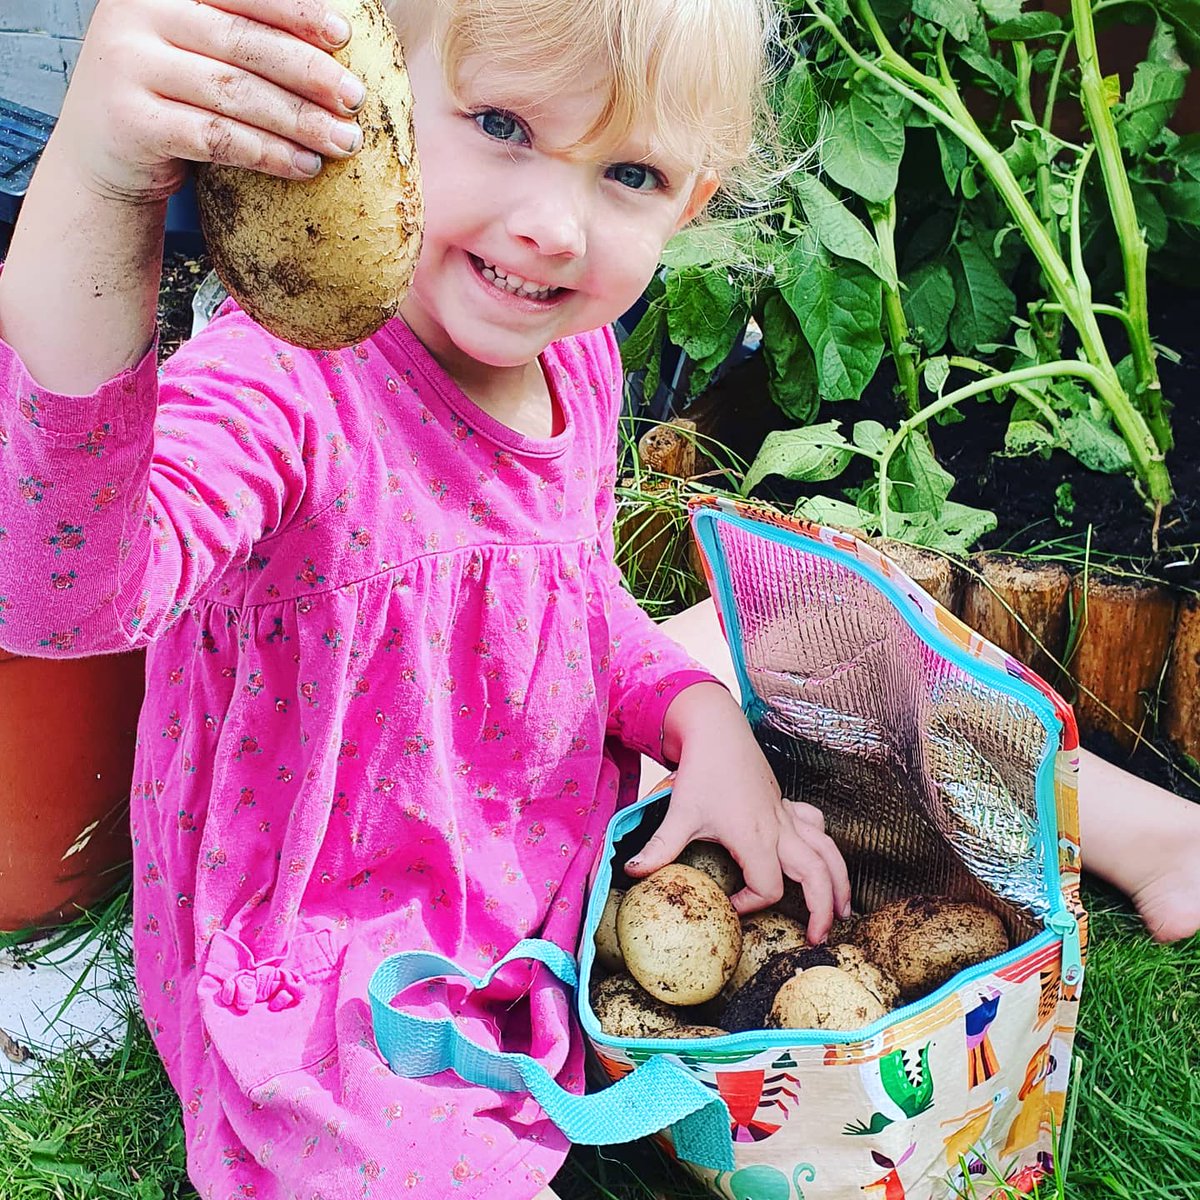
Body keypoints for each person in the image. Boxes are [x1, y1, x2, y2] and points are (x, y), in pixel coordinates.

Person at [0, 0, 850, 1196]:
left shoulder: (574, 359)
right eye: (500, 122)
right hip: (334, 942)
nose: (554, 226)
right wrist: (100, 180)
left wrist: (701, 719)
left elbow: (565, 595)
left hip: (531, 856)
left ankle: (1107, 825)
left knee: (825, 677)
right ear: (377, 102)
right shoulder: (285, 385)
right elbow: (69, 596)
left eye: (632, 173)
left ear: (692, 201)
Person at [643, 600, 1200, 946]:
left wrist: (704, 714)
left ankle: (1152, 838)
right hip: (569, 829)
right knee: (834, 638)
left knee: (836, 624)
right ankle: (1159, 842)